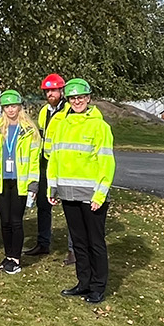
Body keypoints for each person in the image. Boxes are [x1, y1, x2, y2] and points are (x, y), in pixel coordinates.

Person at [45, 78, 115, 303]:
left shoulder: (99, 126)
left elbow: (107, 163)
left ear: (89, 98)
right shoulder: (62, 124)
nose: (77, 101)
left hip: (91, 196)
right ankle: (83, 283)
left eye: (81, 97)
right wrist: (52, 187)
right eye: (73, 98)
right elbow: (54, 157)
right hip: (68, 193)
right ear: (68, 100)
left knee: (95, 242)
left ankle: (98, 287)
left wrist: (100, 195)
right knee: (78, 242)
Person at [0, 90, 41, 275]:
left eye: (14, 106)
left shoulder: (29, 131)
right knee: (5, 221)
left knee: (16, 221)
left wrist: (33, 183)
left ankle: (16, 259)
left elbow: (34, 160)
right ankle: (8, 255)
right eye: (7, 107)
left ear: (20, 107)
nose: (10, 110)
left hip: (20, 181)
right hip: (2, 181)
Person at [27, 73, 70, 261]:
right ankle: (43, 243)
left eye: (53, 90)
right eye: (47, 91)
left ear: (62, 91)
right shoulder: (45, 111)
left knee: (70, 206)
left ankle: (73, 249)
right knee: (43, 205)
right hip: (46, 163)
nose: (50, 94)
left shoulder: (70, 110)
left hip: (65, 164)